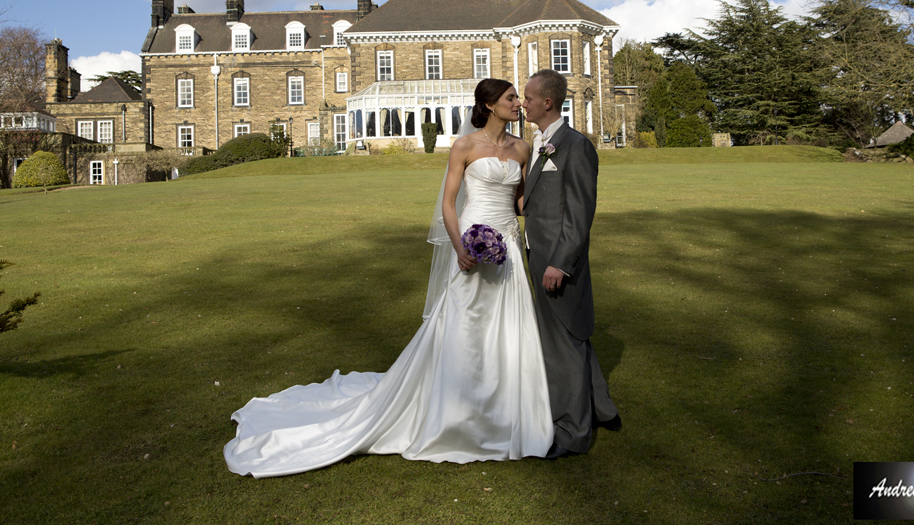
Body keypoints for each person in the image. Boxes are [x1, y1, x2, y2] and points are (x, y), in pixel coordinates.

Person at [224, 79, 553, 477]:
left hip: (508, 244)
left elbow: (520, 200)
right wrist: (459, 245)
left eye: (518, 97)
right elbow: (449, 204)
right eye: (510, 98)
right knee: (465, 322)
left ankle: (508, 405)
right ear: (488, 104)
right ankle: (457, 411)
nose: (519, 103)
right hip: (470, 238)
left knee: (510, 324)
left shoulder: (523, 147)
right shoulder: (465, 147)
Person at [521, 69, 620, 460]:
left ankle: (571, 434)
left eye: (528, 98)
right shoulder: (542, 143)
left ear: (547, 102)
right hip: (537, 255)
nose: (522, 103)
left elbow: (579, 213)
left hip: (557, 262)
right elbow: (540, 200)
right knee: (573, 335)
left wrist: (560, 264)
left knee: (562, 345)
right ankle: (601, 410)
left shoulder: (574, 146)